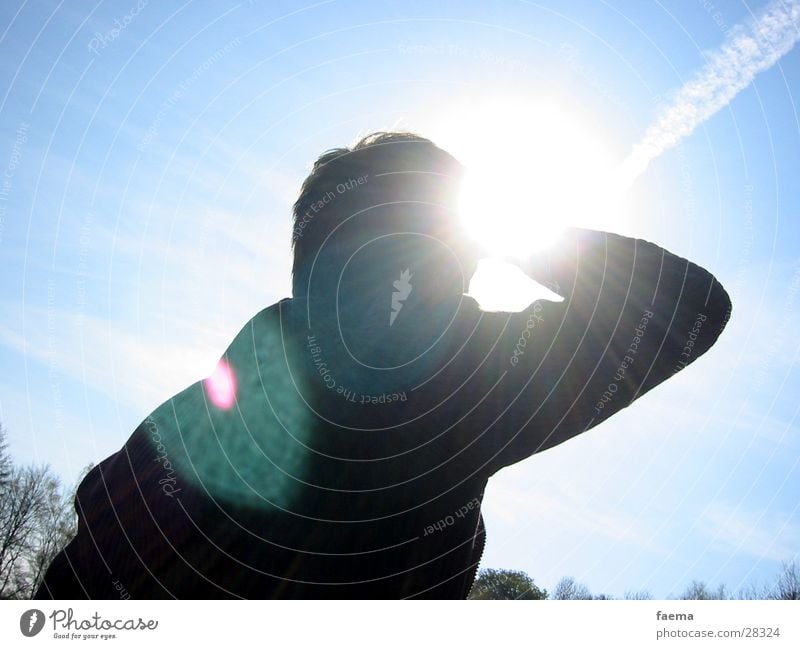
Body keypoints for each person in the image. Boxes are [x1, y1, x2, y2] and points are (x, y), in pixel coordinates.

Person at [36, 132, 731, 599]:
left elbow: (687, 309)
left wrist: (498, 236)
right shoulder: (473, 390)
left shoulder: (475, 383)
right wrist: (499, 238)